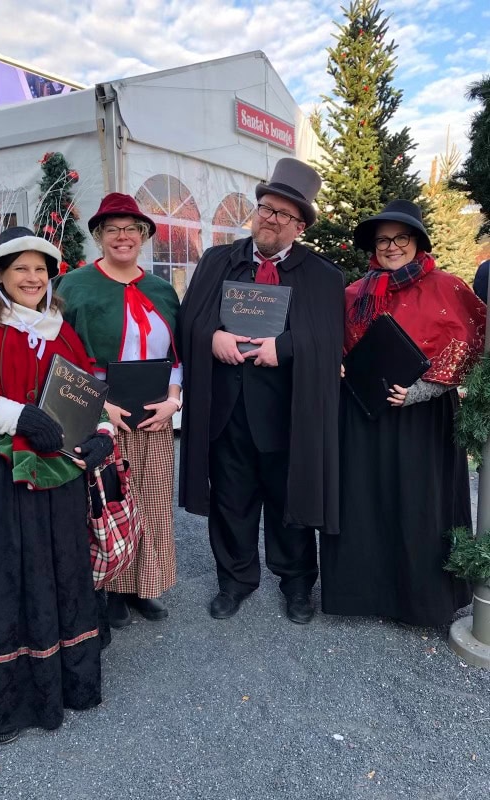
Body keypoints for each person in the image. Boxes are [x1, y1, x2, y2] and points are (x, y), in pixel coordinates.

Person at [0, 226, 114, 742]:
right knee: (5, 575)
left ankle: (63, 682)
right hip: (1, 480)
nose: (32, 278)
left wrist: (101, 433)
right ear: (0, 276)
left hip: (57, 478)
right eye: (20, 269)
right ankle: (2, 701)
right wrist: (16, 415)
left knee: (57, 571)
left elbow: (86, 387)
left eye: (40, 269)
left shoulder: (62, 329)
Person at [179, 157, 345, 624]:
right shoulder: (218, 261)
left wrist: (286, 347)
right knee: (231, 500)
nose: (270, 218)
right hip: (229, 408)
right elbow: (190, 318)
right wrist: (211, 335)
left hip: (287, 412)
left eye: (282, 214)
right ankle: (235, 581)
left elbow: (329, 338)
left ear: (299, 226)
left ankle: (296, 585)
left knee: (288, 503)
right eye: (265, 208)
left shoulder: (322, 276)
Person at [319, 200, 487, 627]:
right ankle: (366, 592)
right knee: (365, 500)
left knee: (419, 503)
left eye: (400, 238)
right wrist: (336, 361)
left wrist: (422, 390)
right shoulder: (355, 293)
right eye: (383, 240)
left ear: (417, 242)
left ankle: (421, 600)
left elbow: (470, 346)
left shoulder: (447, 286)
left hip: (422, 418)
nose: (391, 247)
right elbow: (335, 342)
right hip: (364, 415)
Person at [56, 193, 182, 628]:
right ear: (99, 237)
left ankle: (143, 587)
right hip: (100, 414)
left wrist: (173, 401)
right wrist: (98, 405)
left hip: (154, 416)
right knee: (106, 502)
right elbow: (60, 356)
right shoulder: (74, 286)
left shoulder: (162, 290)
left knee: (151, 500)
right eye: (113, 229)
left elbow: (178, 357)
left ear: (144, 236)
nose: (123, 237)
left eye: (132, 229)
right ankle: (108, 589)